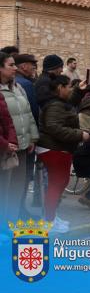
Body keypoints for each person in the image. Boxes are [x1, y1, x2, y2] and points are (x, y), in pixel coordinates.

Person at [38, 75, 90, 232]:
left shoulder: (59, 103)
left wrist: (79, 92)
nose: (70, 89)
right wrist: (79, 135)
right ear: (60, 88)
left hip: (58, 148)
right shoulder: (55, 106)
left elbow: (68, 105)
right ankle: (49, 221)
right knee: (56, 184)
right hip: (54, 149)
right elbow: (54, 127)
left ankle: (51, 217)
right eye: (68, 86)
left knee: (59, 183)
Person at [0, 52, 39, 222]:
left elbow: (28, 113)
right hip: (4, 149)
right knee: (4, 191)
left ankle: (11, 223)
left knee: (17, 188)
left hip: (21, 146)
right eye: (10, 65)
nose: (15, 68)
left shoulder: (18, 87)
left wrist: (32, 137)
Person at [0, 90, 18, 232]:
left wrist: (10, 142)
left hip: (3, 151)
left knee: (4, 191)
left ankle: (2, 227)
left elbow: (8, 122)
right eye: (10, 65)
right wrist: (5, 144)